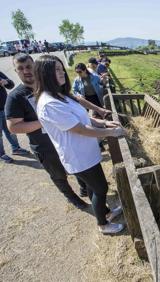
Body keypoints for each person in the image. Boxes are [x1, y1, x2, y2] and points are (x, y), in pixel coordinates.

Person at [34, 54, 126, 234]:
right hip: (78, 155)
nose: (61, 74)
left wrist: (103, 123)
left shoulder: (61, 95)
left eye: (61, 69)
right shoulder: (49, 103)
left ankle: (106, 213)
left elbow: (84, 118)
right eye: (55, 71)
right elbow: (80, 129)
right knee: (101, 189)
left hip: (86, 152)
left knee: (94, 187)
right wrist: (110, 132)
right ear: (44, 75)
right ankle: (103, 225)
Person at [5, 53, 111, 208]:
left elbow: (75, 98)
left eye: (28, 66)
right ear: (16, 71)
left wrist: (98, 110)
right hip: (45, 145)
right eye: (20, 68)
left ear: (35, 66)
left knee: (80, 172)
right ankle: (73, 199)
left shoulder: (49, 85)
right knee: (59, 175)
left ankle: (86, 192)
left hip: (66, 138)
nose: (26, 71)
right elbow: (13, 127)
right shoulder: (15, 97)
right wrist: (46, 121)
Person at [0, 71, 29, 163]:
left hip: (4, 107)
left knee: (10, 130)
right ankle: (1, 154)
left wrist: (6, 82)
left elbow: (11, 84)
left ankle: (16, 148)